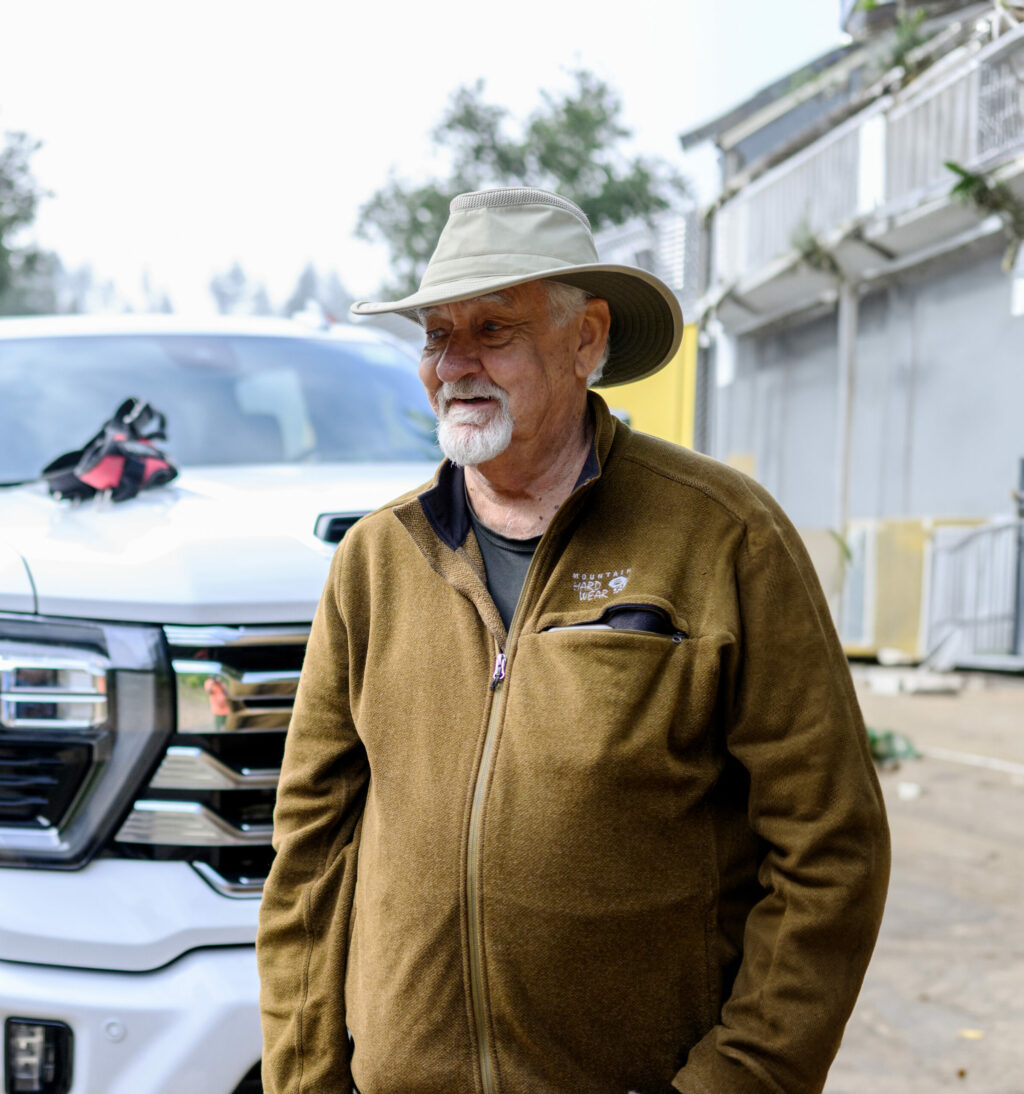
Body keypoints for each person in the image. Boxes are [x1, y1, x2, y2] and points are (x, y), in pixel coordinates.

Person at [257, 187, 890, 1094]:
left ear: (587, 338)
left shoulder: (723, 537)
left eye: (495, 329)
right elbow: (310, 856)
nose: (457, 364)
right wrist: (306, 1079)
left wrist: (738, 1080)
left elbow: (831, 849)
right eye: (439, 335)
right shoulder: (376, 560)